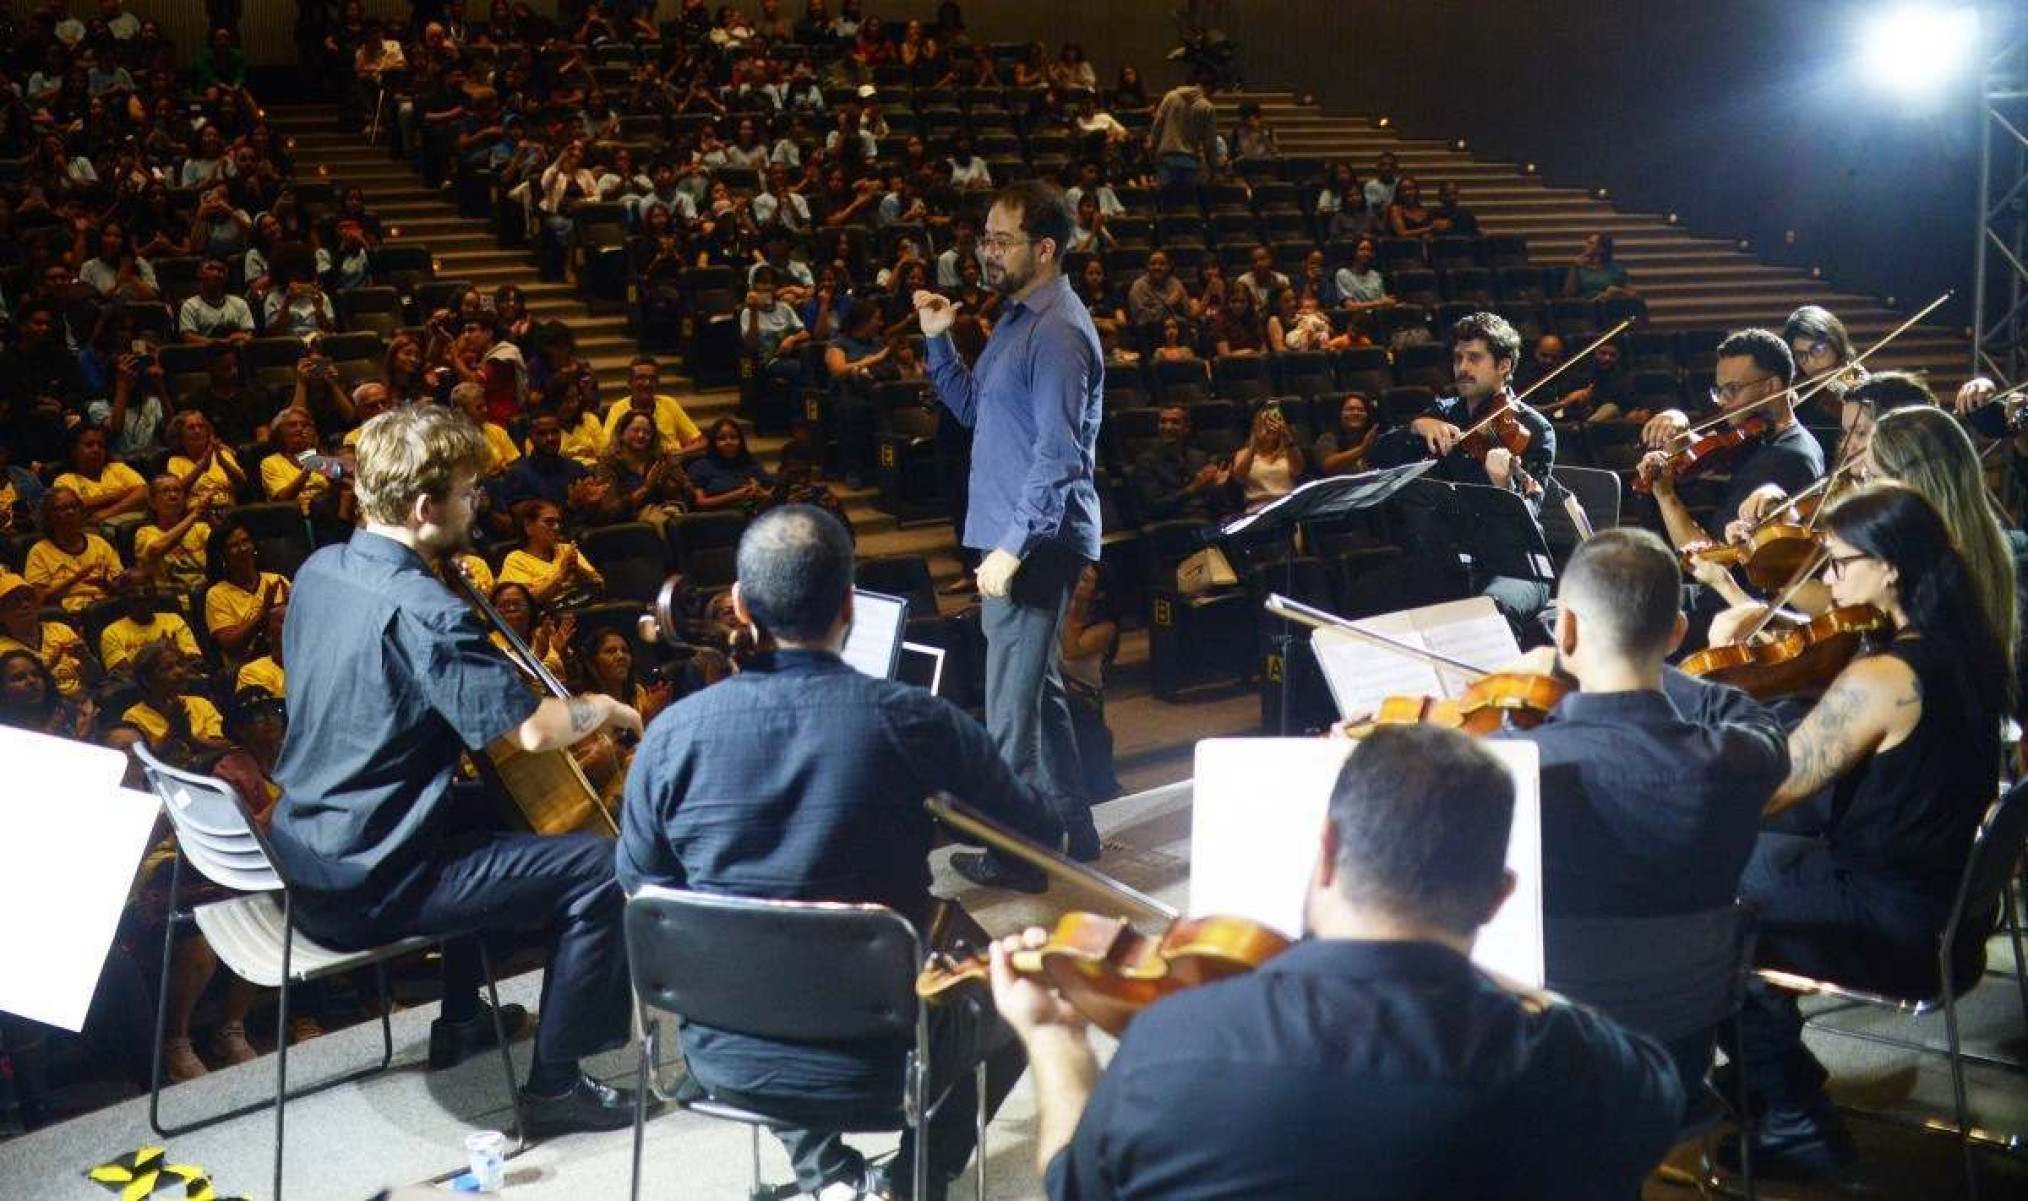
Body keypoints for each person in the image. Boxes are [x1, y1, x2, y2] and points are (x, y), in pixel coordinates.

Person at [990, 724, 1685, 1199]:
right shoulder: (1577, 1065)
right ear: (1498, 897)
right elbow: (1656, 1094)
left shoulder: (1168, 1041)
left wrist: (1056, 1039)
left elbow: (1072, 1186)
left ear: (1324, 849)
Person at [617, 505, 1062, 1201]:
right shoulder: (915, 719)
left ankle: (825, 1172)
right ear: (851, 606)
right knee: (1025, 989)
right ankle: (919, 1175)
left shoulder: (669, 733)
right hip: (886, 1064)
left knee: (771, 953)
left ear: (738, 604)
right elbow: (1041, 835)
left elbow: (641, 884)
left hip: (721, 1051)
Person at [270, 406, 646, 1136]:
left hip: (307, 847)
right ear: (422, 507)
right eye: (470, 492)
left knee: (483, 808)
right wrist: (603, 705)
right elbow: (537, 730)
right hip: (369, 882)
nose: (481, 504)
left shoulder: (321, 568)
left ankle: (464, 1019)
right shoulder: (426, 612)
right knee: (602, 865)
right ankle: (555, 1086)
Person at [1723, 483, 2011, 1179]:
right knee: (1758, 864)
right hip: (1943, 906)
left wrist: (1718, 715)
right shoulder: (1968, 649)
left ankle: (1792, 1113)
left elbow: (1767, 789)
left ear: (1888, 568)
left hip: (1889, 924)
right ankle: (1768, 1070)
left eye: (1838, 563)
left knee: (1702, 902)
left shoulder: (1884, 675)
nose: (1828, 579)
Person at [1489, 528, 1787, 1104]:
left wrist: (1541, 677)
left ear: (1564, 626)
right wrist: (1642, 656)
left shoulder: (1510, 764)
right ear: (1677, 633)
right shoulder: (1743, 755)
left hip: (1542, 1065)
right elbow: (1746, 712)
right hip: (1677, 1065)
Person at [916, 180, 1104, 889]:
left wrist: (1013, 546)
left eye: (1001, 241)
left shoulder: (1055, 330)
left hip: (1035, 543)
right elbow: (974, 410)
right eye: (984, 239)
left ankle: (1018, 855)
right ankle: (1073, 830)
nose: (986, 253)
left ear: (1045, 248)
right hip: (1015, 535)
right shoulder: (1014, 320)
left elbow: (1060, 455)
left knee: (1009, 710)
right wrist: (940, 345)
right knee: (1039, 691)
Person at [1373, 312, 1559, 634]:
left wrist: (1502, 485)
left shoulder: (1533, 429)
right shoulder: (1444, 412)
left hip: (1516, 565)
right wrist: (1418, 426)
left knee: (1490, 615)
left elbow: (1527, 516)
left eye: (1474, 358)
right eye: (1458, 358)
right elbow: (1381, 455)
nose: (1462, 367)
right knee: (1368, 599)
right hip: (1451, 558)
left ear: (1504, 366)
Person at [1637, 329, 1823, 561]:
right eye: (1719, 390)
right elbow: (1710, 450)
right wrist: (1680, 426)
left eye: (1732, 389)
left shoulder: (1783, 458)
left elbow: (1715, 560)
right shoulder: (1766, 439)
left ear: (1772, 386)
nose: (1723, 401)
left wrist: (1666, 497)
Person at [1130, 405, 1233, 524]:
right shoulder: (1146, 462)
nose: (1168, 427)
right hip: (1174, 523)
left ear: (1186, 428)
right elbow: (1155, 507)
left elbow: (1212, 500)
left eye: (1175, 422)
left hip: (1206, 517)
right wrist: (1193, 488)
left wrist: (1219, 484)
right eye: (1163, 422)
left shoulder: (1198, 457)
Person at [1148, 69, 1218, 206]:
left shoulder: (1170, 97)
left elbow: (1157, 127)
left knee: (1165, 205)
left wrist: (1152, 153)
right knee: (1185, 205)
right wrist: (1213, 169)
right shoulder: (1207, 107)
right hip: (1189, 161)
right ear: (1209, 87)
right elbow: (1210, 143)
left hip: (1166, 158)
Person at [1232, 404, 1305, 513]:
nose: (1269, 426)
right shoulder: (1244, 453)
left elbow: (1298, 470)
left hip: (1287, 507)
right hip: (1257, 510)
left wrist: (1286, 437)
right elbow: (1239, 477)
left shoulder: (1289, 452)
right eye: (1264, 423)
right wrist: (1254, 444)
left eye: (1274, 420)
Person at [1563, 233, 1637, 301]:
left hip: (1611, 309)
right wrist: (1575, 267)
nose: (1585, 245)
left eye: (1590, 243)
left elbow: (1632, 293)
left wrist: (1618, 292)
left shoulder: (1616, 269)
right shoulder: (1580, 268)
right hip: (1586, 309)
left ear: (1601, 249)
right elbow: (1569, 294)